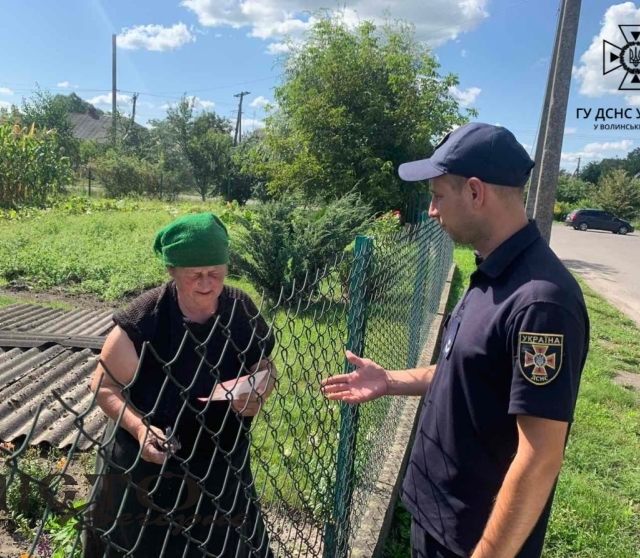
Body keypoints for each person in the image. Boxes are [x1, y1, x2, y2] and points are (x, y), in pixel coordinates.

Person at [321, 122, 590, 558]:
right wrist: (390, 380)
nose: (431, 211)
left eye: (437, 195)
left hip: (474, 539)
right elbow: (466, 371)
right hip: (436, 516)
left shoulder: (542, 302)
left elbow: (540, 457)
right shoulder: (489, 273)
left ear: (475, 192)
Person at [82, 212, 278, 558]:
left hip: (220, 461)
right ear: (171, 271)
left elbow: (264, 366)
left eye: (215, 273)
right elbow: (103, 386)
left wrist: (259, 391)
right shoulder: (145, 319)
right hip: (149, 465)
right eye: (195, 275)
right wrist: (141, 430)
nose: (207, 283)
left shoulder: (239, 308)